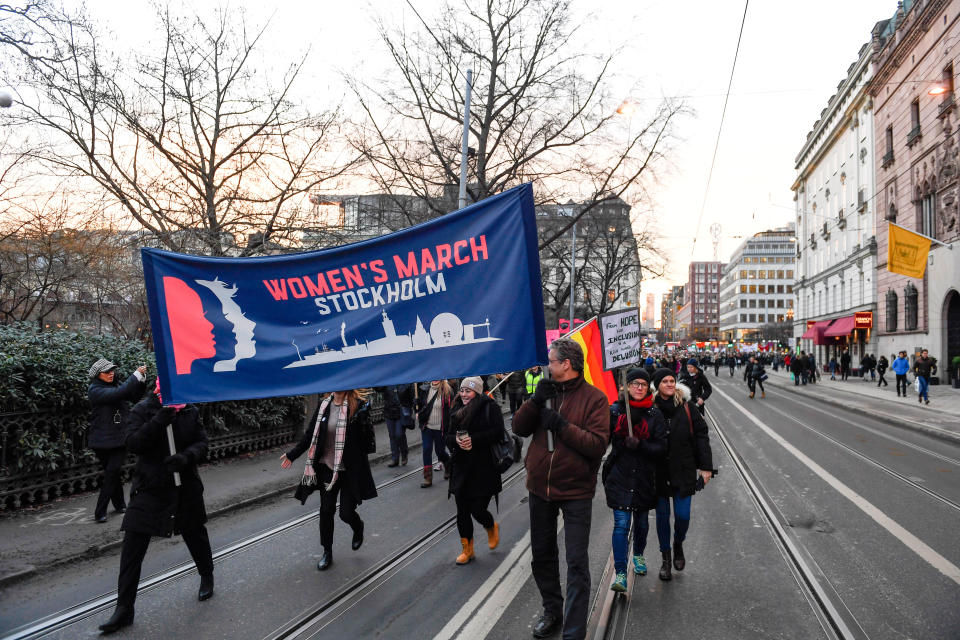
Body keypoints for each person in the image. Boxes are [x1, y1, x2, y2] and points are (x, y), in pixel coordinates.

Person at [98, 380, 213, 634]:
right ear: (158, 388)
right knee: (132, 547)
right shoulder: (143, 410)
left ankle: (207, 574)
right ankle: (124, 608)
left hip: (184, 486)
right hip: (150, 488)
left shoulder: (189, 411)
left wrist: (186, 457)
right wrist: (159, 420)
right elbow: (133, 442)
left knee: (195, 534)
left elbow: (202, 443)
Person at [513, 338, 609, 640]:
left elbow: (596, 445)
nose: (547, 365)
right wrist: (535, 401)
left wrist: (562, 426)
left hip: (576, 490)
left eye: (551, 360)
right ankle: (552, 610)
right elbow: (519, 428)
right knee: (542, 554)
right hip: (540, 486)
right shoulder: (546, 392)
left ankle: (574, 632)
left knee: (577, 562)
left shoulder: (595, 399)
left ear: (566, 364)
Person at [282, 389, 377, 571]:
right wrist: (292, 455)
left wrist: (363, 418)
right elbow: (310, 435)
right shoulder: (324, 405)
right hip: (327, 467)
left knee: (346, 513)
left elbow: (365, 441)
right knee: (326, 511)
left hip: (349, 470)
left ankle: (358, 527)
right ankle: (327, 552)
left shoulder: (357, 407)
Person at [603, 368, 666, 592]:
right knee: (621, 525)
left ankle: (638, 554)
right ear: (627, 386)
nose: (639, 387)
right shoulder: (615, 411)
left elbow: (661, 448)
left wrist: (641, 445)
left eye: (643, 384)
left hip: (644, 479)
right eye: (635, 383)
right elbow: (601, 438)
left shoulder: (654, 414)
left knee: (641, 523)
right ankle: (620, 572)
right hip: (620, 476)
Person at [651, 368, 714, 582]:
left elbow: (701, 436)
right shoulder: (651, 407)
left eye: (672, 380)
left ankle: (678, 543)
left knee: (683, 516)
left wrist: (706, 467)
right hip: (658, 471)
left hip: (683, 469)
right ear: (657, 385)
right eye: (665, 381)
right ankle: (666, 559)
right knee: (661, 518)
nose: (670, 384)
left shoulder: (687, 407)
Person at [445, 376, 504, 565]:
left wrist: (474, 439)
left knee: (477, 509)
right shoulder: (456, 408)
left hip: (484, 468)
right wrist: (455, 440)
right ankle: (467, 549)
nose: (463, 394)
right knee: (462, 511)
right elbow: (446, 436)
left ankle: (490, 526)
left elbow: (498, 432)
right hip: (461, 467)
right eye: (462, 390)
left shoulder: (489, 407)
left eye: (468, 391)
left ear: (477, 392)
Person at [87, 358, 147, 523]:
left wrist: (141, 380)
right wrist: (135, 374)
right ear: (98, 375)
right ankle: (120, 504)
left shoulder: (116, 385)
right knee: (111, 474)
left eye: (112, 370)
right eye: (107, 372)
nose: (111, 373)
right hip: (101, 441)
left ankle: (100, 511)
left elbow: (133, 396)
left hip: (119, 439)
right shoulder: (95, 390)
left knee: (112, 472)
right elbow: (120, 393)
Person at [417, 379, 454, 487]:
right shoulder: (424, 389)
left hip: (441, 428)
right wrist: (417, 410)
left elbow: (452, 409)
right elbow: (420, 404)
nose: (435, 379)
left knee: (440, 452)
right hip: (427, 427)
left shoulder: (447, 391)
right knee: (426, 449)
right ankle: (428, 478)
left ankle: (448, 465)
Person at [377, 383, 414, 467]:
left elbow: (412, 395)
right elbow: (378, 388)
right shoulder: (387, 380)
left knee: (399, 434)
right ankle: (395, 459)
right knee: (392, 435)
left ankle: (404, 453)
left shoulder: (405, 380)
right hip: (389, 411)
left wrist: (413, 408)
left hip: (401, 412)